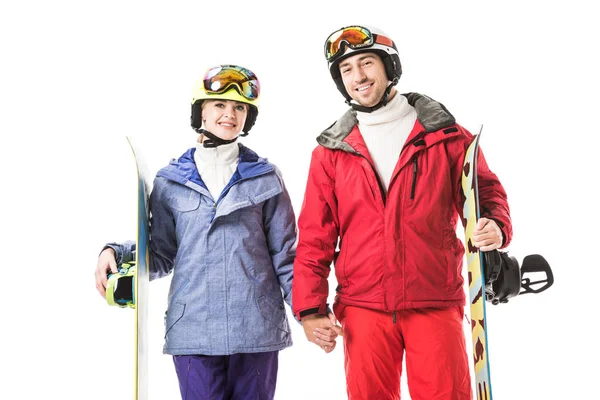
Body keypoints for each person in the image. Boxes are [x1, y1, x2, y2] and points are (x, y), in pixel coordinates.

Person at [291, 25, 512, 400]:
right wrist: (310, 309)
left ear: (389, 66)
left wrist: (495, 225)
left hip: (434, 299)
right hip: (363, 307)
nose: (358, 76)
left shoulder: (445, 136)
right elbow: (315, 235)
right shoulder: (331, 152)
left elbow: (485, 191)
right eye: (347, 70)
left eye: (366, 63)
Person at [94, 64, 338, 400]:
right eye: (220, 105)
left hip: (256, 328)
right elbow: (162, 254)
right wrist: (118, 253)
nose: (230, 114)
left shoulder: (266, 178)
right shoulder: (170, 182)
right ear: (202, 112)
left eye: (240, 107)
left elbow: (286, 258)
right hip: (194, 328)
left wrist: (309, 312)